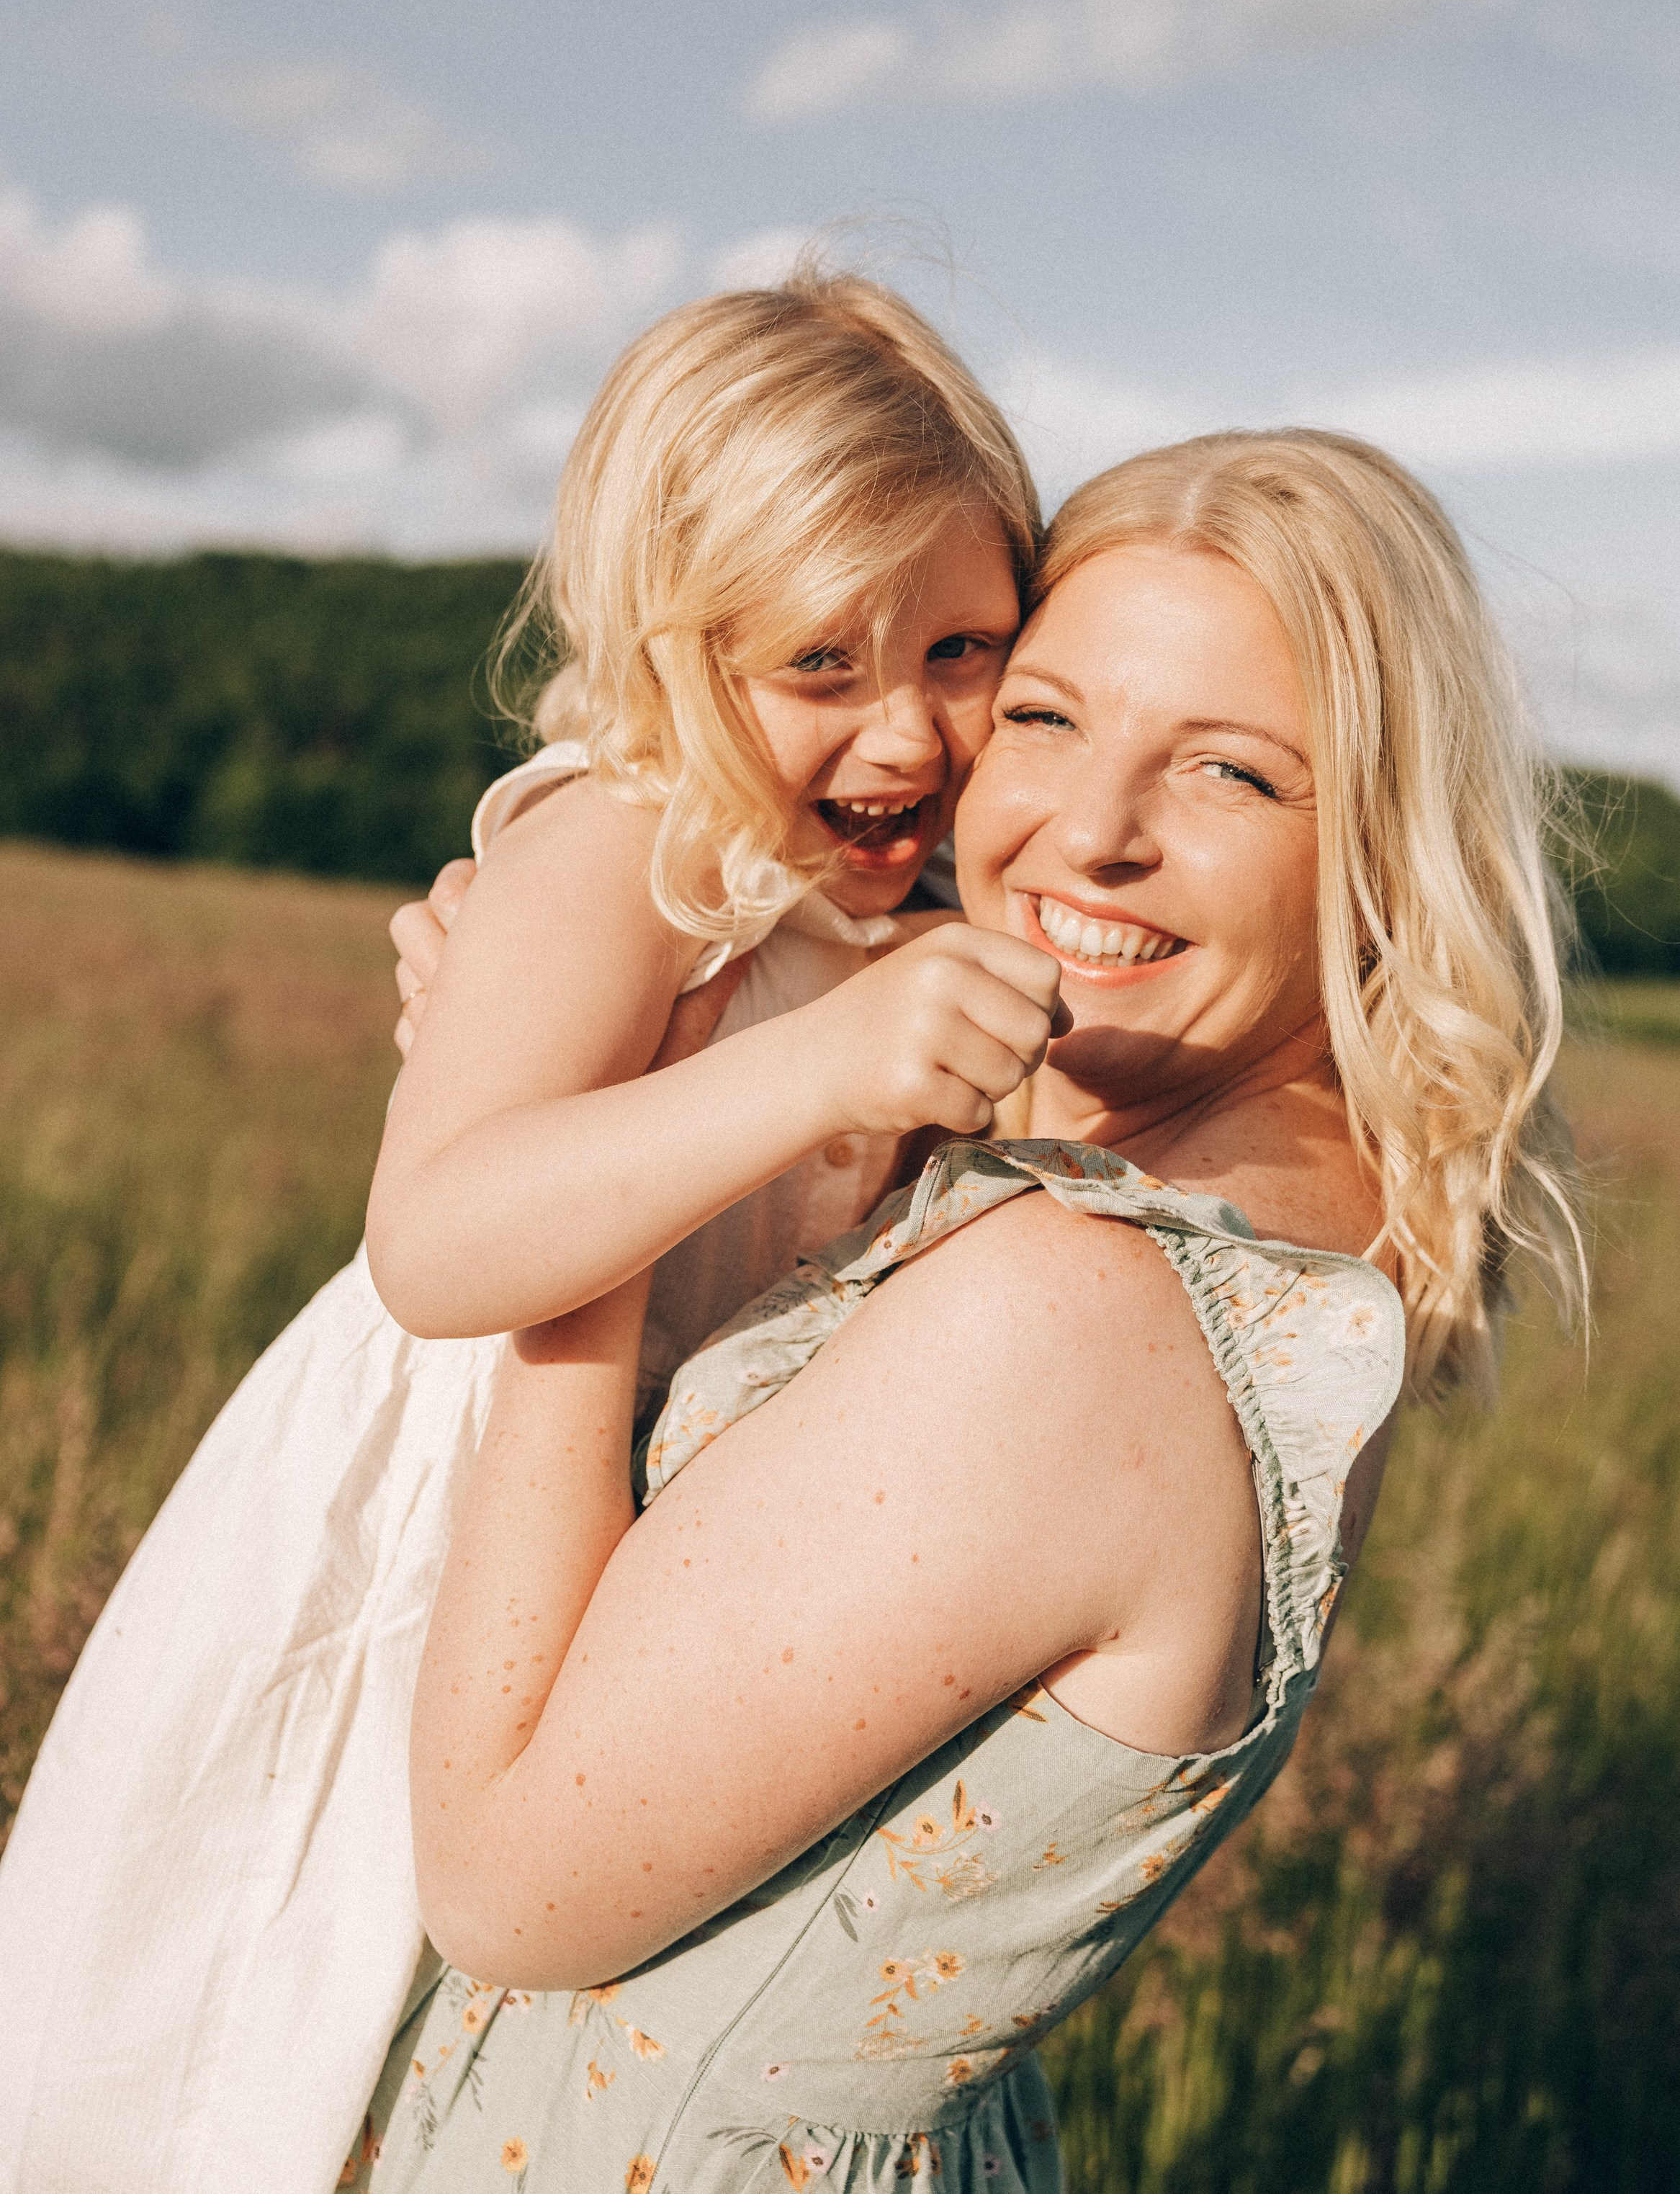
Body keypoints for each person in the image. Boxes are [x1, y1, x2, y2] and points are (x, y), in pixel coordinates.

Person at [354, 429, 1581, 2191]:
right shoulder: (1240, 1217)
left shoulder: (1077, 1311)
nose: (1088, 831)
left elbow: (501, 1883)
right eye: (1047, 716)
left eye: (1230, 774)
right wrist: (563, 1074)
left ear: (1382, 844)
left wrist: (587, 1213)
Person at [0, 272, 1061, 2194]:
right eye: (817, 663)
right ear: (666, 646)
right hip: (428, 1554)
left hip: (626, 1583)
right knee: (276, 2042)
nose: (905, 725)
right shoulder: (622, 844)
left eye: (965, 647)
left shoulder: (890, 922)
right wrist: (823, 1061)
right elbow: (440, 1237)